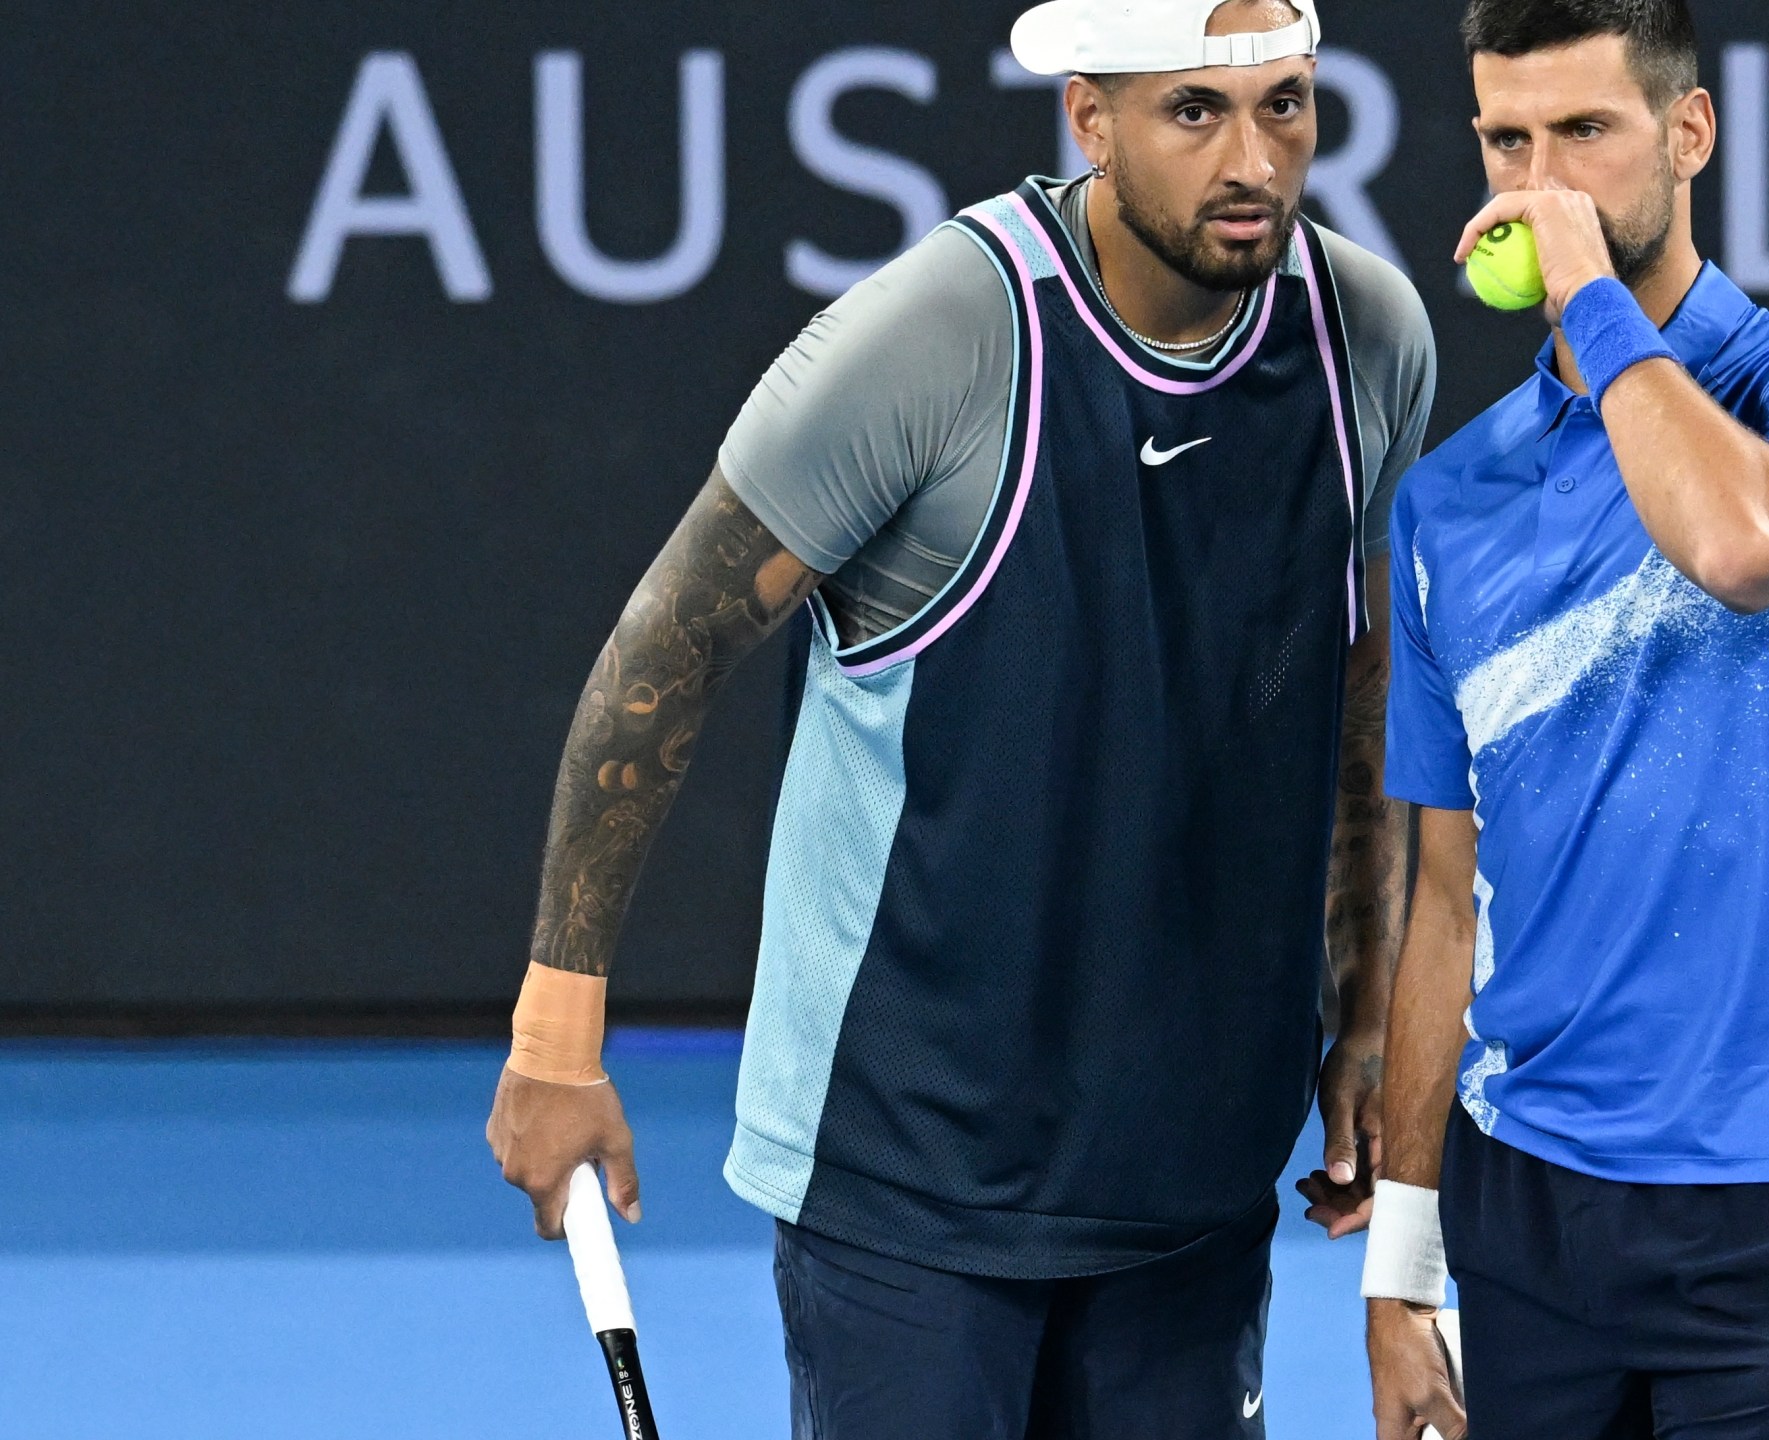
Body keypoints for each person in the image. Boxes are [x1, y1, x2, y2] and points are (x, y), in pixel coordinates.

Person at [482, 0, 1439, 1434]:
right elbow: (661, 658)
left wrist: (1362, 1011)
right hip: (910, 1168)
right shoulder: (933, 341)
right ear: (1090, 118)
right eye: (1196, 112)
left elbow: (1349, 696)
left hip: (1193, 1168)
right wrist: (557, 1041)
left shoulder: (1369, 339)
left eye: (1288, 106)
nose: (1255, 160)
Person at [1350, 2, 1769, 1436]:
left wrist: (1590, 300)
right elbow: (1440, 897)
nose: (1539, 191)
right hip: (1525, 1205)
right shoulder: (1447, 503)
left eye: (1585, 136)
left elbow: (1739, 547)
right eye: (1507, 143)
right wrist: (1404, 1271)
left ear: (1690, 135)